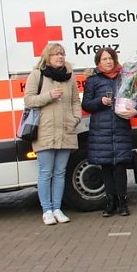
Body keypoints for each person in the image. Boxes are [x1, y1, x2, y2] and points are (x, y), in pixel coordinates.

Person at [23, 42, 82, 226]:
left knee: (60, 173)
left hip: (66, 130)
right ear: (47, 57)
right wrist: (49, 95)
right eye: (56, 54)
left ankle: (57, 209)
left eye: (62, 54)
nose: (60, 57)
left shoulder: (69, 77)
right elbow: (29, 100)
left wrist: (75, 119)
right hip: (45, 131)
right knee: (45, 172)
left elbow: (75, 101)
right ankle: (46, 210)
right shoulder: (37, 75)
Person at [81, 47, 137, 217]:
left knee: (120, 167)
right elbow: (86, 105)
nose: (108, 61)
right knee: (106, 167)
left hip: (121, 128)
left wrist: (134, 111)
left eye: (110, 58)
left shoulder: (126, 78)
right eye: (104, 59)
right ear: (98, 62)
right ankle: (110, 203)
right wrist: (100, 101)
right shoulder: (93, 80)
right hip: (101, 130)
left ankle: (123, 203)